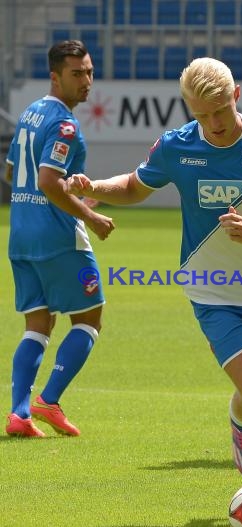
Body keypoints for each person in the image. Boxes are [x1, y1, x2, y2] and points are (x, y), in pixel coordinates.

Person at [66, 57, 242, 521]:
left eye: (220, 110)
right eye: (202, 114)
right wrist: (94, 185)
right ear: (188, 108)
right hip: (211, 288)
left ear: (236, 95)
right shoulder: (177, 147)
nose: (214, 123)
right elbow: (135, 185)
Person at [5, 40, 115, 438]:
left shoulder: (30, 113)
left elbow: (12, 174)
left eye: (88, 71)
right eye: (76, 73)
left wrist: (76, 191)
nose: (86, 80)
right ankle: (48, 400)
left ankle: (18, 414)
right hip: (58, 237)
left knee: (38, 323)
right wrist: (91, 215)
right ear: (55, 76)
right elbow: (48, 181)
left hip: (20, 235)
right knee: (89, 318)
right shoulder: (65, 123)